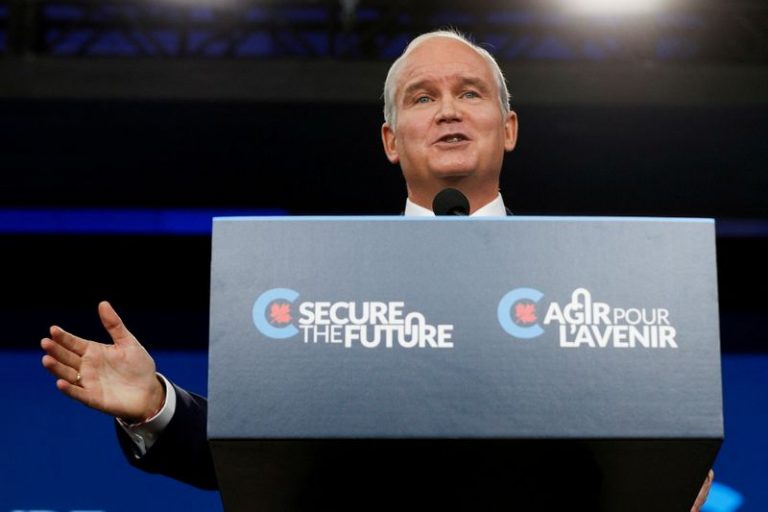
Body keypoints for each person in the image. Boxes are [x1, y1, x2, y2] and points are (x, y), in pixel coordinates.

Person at [40, 29, 713, 510]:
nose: (448, 110)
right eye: (422, 98)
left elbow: (643, 457)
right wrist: (156, 406)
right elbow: (258, 449)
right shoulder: (320, 286)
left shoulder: (595, 285)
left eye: (469, 93)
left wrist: (664, 482)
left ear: (508, 128)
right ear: (392, 141)